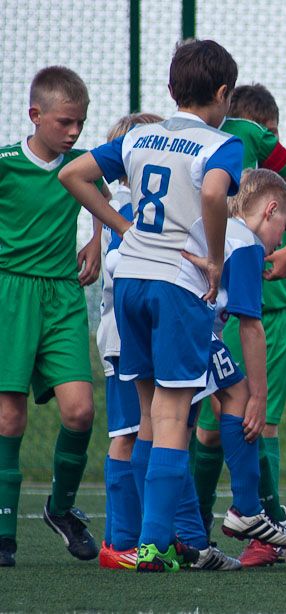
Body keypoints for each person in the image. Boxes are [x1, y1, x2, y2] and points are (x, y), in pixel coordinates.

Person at [59, 39, 245, 573]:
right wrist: (214, 259)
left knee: (145, 414)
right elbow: (213, 194)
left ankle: (141, 539)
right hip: (175, 284)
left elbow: (72, 174)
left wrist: (124, 228)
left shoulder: (140, 136)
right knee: (172, 415)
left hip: (131, 282)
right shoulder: (222, 144)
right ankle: (156, 544)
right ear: (223, 92)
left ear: (171, 88)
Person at [191, 83, 286, 567]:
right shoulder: (217, 172)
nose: (273, 141)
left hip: (277, 316)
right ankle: (196, 527)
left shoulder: (283, 198)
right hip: (223, 316)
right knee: (209, 428)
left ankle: (263, 526)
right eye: (265, 132)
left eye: (275, 132)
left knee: (260, 423)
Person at [0, 66, 103, 567]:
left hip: (62, 296)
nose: (73, 132)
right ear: (35, 115)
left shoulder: (82, 165)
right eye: (65, 122)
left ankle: (60, 509)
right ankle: (3, 532)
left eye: (80, 122)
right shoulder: (6, 164)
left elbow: (104, 200)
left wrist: (98, 240)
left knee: (80, 411)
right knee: (9, 415)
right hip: (11, 293)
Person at [95, 112, 162, 571]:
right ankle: (119, 539)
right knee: (127, 432)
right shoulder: (125, 207)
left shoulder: (133, 204)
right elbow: (119, 263)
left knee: (148, 427)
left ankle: (141, 533)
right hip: (123, 338)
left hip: (138, 332)